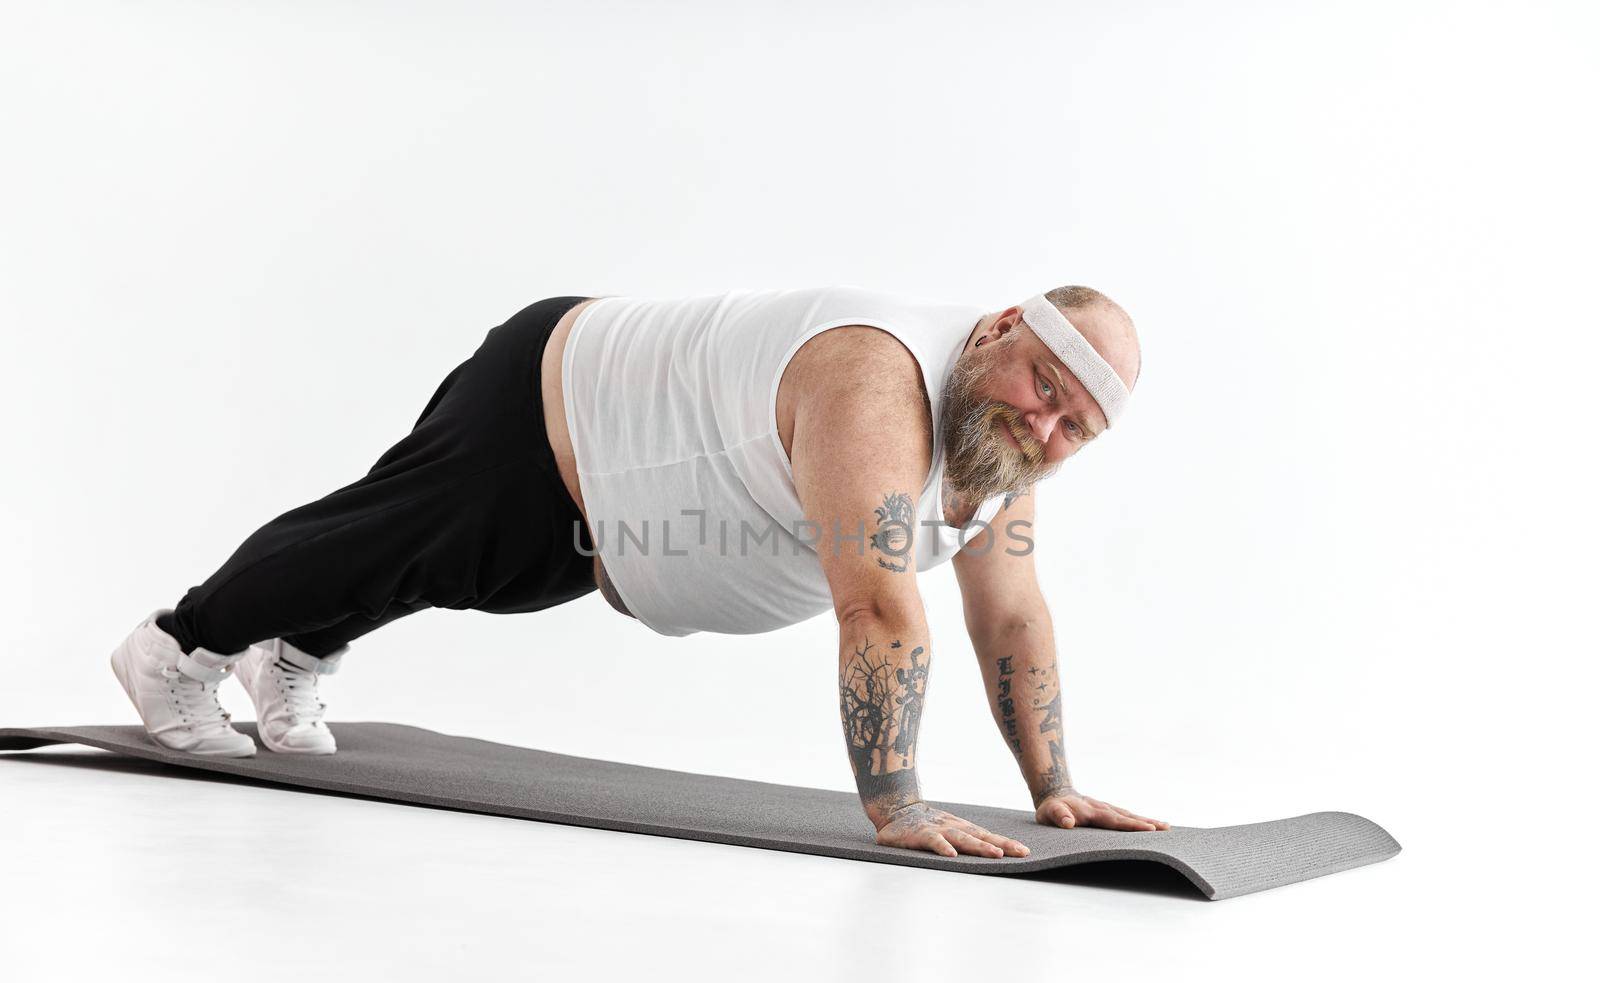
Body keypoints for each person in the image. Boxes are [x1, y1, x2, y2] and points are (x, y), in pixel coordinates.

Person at [110, 285, 1170, 859]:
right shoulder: (881, 382)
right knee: (391, 534)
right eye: (1042, 382)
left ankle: (295, 650)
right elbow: (880, 604)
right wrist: (897, 807)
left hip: (619, 500)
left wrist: (1054, 787)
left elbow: (1014, 617)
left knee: (466, 572)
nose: (1043, 420)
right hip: (559, 396)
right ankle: (174, 647)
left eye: (1071, 424)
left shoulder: (1000, 456)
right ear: (996, 329)